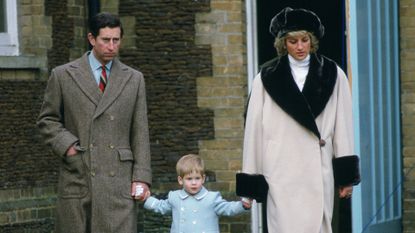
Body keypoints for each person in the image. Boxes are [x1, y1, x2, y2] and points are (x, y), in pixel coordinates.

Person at [242, 7, 360, 233]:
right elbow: (253, 131)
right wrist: (249, 183)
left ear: (312, 40)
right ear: (283, 43)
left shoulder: (333, 74)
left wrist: (345, 177)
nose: (299, 47)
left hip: (318, 170)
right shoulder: (265, 78)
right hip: (279, 171)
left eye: (304, 40)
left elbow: (343, 127)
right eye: (293, 41)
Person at [36, 12, 151, 233]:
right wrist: (68, 147)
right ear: (91, 39)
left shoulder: (134, 78)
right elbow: (47, 120)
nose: (111, 46)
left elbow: (141, 131)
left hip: (118, 181)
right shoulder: (63, 75)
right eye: (105, 40)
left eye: (116, 40)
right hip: (79, 175)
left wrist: (142, 178)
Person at [143, 154, 251, 233]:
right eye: (189, 179)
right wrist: (146, 199)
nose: (194, 182)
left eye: (197, 178)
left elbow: (228, 208)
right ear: (181, 180)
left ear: (203, 179)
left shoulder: (212, 198)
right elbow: (161, 206)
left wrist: (242, 205)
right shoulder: (175, 197)